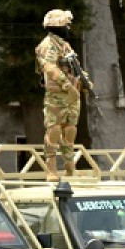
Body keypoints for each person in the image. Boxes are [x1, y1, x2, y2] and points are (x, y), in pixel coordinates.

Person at [35, 9, 84, 181]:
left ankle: (70, 167)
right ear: (57, 26)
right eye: (65, 25)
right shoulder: (47, 45)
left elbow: (74, 65)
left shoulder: (64, 45)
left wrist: (84, 82)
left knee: (70, 130)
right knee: (54, 130)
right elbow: (49, 67)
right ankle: (51, 169)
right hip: (57, 94)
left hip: (72, 94)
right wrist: (66, 85)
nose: (68, 28)